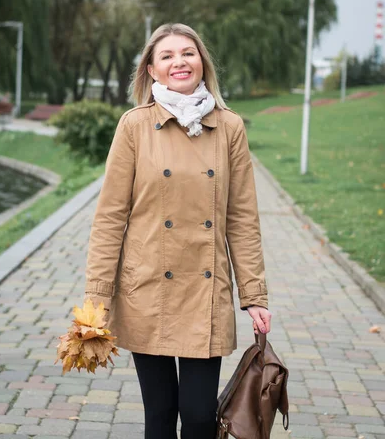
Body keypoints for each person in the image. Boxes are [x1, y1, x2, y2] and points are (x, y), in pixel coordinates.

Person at [84, 23, 272, 439]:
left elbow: (242, 219)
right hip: (147, 287)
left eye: (187, 52)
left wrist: (253, 295)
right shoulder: (134, 126)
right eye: (166, 56)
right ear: (152, 70)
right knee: (161, 413)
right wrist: (96, 297)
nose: (179, 62)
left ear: (202, 62)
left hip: (206, 291)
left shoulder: (230, 127)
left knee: (200, 416)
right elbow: (110, 217)